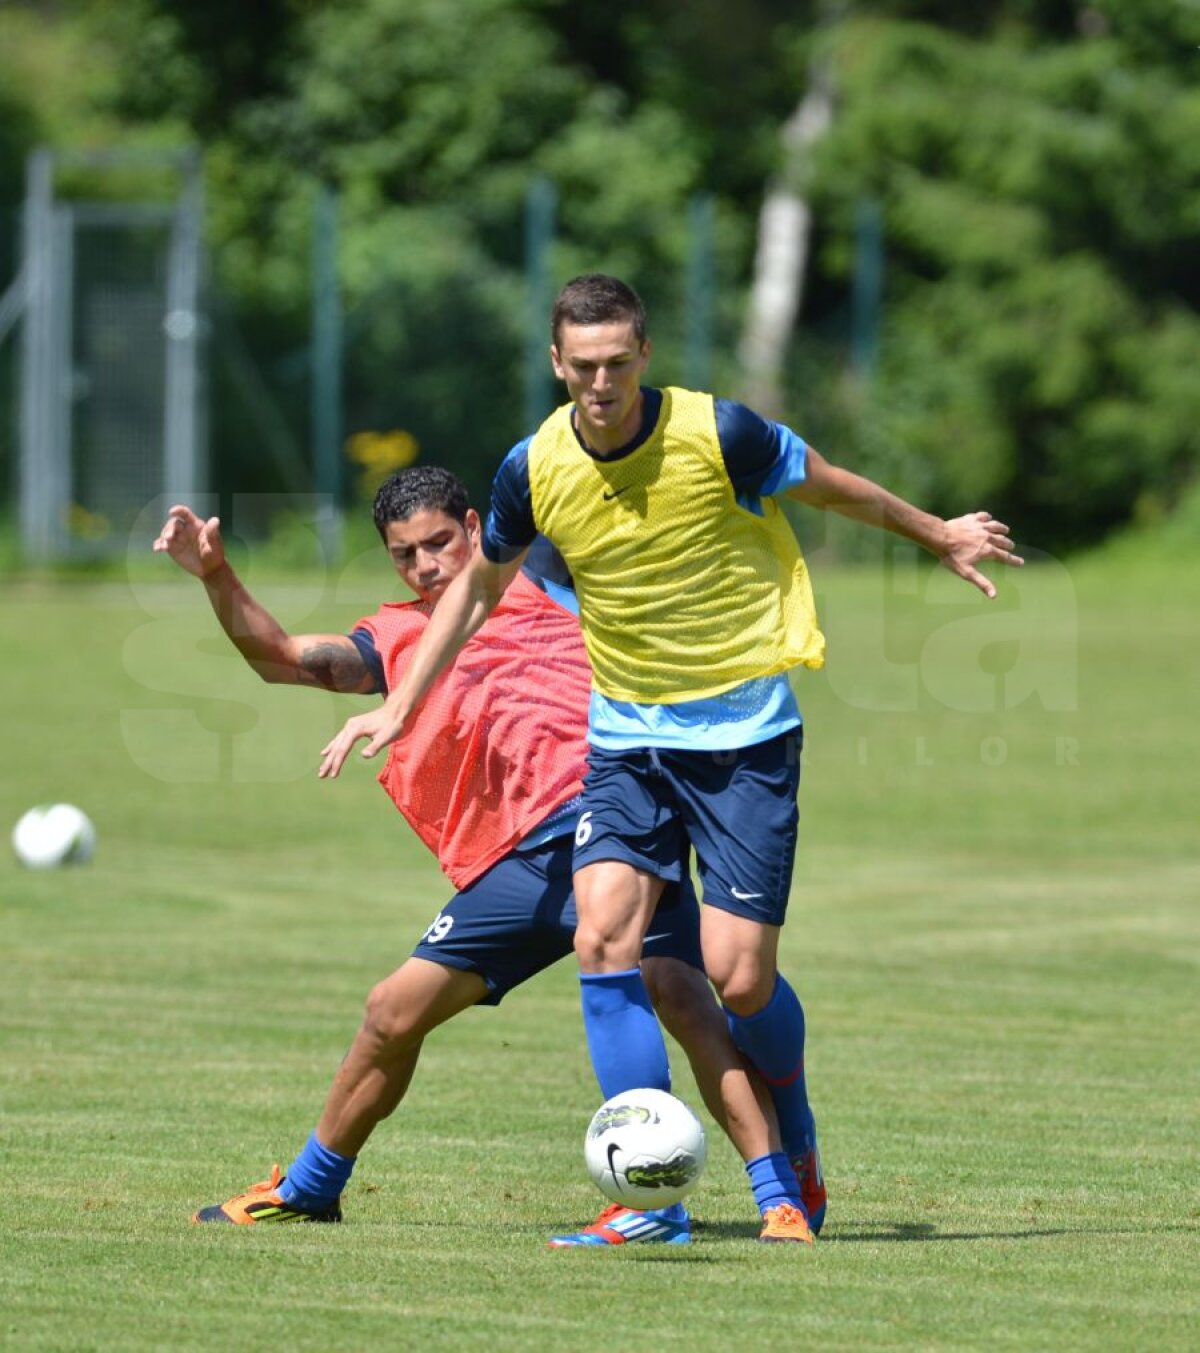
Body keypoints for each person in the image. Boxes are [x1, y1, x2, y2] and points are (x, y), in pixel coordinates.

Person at [319, 274, 1025, 1245]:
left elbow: (828, 483)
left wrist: (938, 532)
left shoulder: (719, 433)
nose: (601, 383)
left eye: (618, 362)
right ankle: (650, 1201)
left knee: (738, 980)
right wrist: (398, 706)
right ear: (557, 363)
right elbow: (476, 592)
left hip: (744, 742)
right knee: (603, 941)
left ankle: (796, 1133)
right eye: (584, 366)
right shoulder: (533, 467)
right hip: (626, 744)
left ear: (644, 354)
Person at [154, 465, 813, 1246]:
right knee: (391, 1012)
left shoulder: (537, 574)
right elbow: (282, 655)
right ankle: (308, 1188)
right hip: (520, 863)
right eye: (405, 554)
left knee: (679, 992)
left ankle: (777, 1199)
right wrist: (215, 573)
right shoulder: (395, 637)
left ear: (473, 527)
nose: (426, 565)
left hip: (611, 816)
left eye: (439, 543)